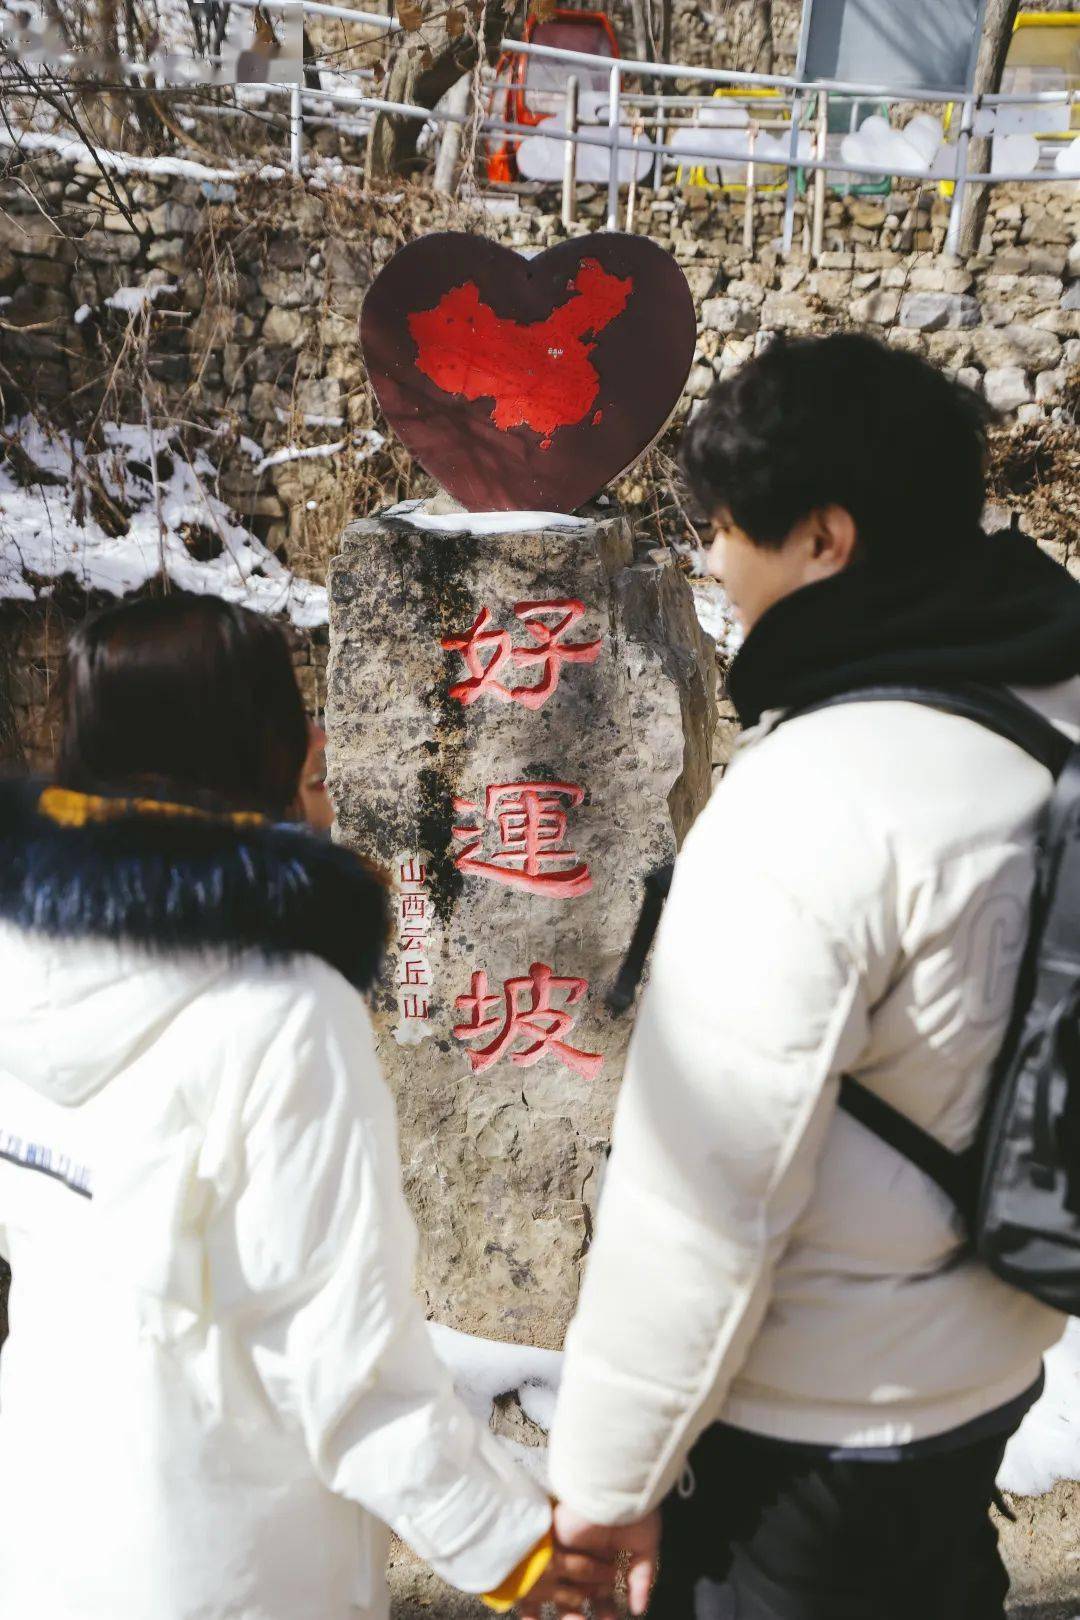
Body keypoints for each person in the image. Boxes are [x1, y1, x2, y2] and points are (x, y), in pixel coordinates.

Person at [546, 333, 1080, 1619]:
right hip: (997, 1355)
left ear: (826, 540)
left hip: (811, 1431)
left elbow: (702, 1194)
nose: (713, 563)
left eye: (726, 530)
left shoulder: (810, 800)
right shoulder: (1053, 704)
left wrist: (606, 1481)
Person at [0, 593, 588, 1620]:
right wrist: (515, 1549)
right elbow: (347, 1360)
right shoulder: (280, 1007)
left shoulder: (21, 958)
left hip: (47, 1531)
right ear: (259, 748)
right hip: (226, 1565)